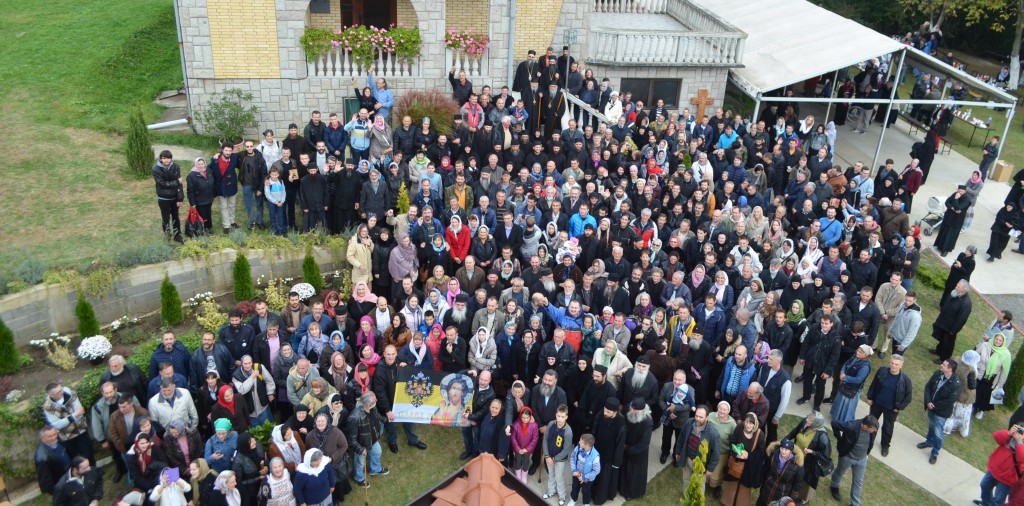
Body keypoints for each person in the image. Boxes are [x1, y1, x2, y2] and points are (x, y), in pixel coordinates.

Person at [865, 354, 912, 456]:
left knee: (888, 427)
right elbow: (874, 384)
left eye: (896, 364)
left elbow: (908, 397)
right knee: (871, 422)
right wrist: (870, 397)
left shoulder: (905, 380)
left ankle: (885, 445)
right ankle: (868, 440)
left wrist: (898, 407)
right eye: (892, 363)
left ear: (901, 365)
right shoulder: (882, 371)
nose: (893, 366)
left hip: (891, 408)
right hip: (877, 403)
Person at [919, 359, 963, 464]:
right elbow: (928, 387)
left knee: (938, 432)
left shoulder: (956, 384)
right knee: (931, 425)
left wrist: (933, 406)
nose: (941, 365)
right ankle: (929, 442)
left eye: (944, 365)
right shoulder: (938, 374)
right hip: (931, 407)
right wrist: (928, 401)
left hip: (941, 412)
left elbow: (949, 401)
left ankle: (935, 453)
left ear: (950, 369)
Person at [829, 416, 878, 506]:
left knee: (858, 482)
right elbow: (834, 423)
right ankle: (834, 486)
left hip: (862, 459)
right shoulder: (851, 426)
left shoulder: (873, 429)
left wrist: (866, 454)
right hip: (847, 457)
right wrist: (839, 438)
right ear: (864, 426)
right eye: (873, 429)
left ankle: (855, 504)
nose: (874, 431)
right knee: (839, 472)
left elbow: (871, 441)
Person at [785, 411, 832, 504]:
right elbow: (795, 431)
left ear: (816, 423)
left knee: (801, 481)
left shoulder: (822, 437)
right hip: (795, 456)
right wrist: (786, 439)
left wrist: (812, 452)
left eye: (810, 420)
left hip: (807, 463)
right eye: (808, 418)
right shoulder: (805, 422)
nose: (807, 420)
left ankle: (799, 498)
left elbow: (825, 456)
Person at [674, 405, 720, 498]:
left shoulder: (713, 434)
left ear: (707, 418)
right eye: (696, 416)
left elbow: (715, 454)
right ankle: (686, 499)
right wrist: (678, 452)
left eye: (701, 417)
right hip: (687, 458)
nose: (697, 419)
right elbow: (681, 438)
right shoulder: (689, 422)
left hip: (700, 464)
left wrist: (710, 469)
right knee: (686, 480)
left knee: (698, 486)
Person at [42, 383, 94, 464]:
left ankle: (93, 469)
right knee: (73, 459)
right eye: (58, 392)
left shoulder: (71, 394)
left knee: (89, 454)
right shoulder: (47, 407)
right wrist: (73, 415)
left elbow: (80, 413)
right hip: (67, 436)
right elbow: (56, 425)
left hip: (81, 430)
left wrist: (65, 420)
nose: (62, 392)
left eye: (61, 389)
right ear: (51, 395)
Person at [721, 412, 766, 506]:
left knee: (744, 487)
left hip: (749, 465)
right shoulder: (739, 428)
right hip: (736, 462)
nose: (748, 425)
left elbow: (761, 452)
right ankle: (728, 502)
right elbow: (732, 442)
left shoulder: (760, 434)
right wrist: (736, 454)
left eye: (751, 423)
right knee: (733, 483)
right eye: (746, 422)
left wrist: (748, 456)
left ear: (755, 424)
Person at [347, 391, 388, 488]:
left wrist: (387, 419)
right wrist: (360, 449)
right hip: (361, 445)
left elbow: (377, 417)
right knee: (360, 463)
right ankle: (359, 478)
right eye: (374, 400)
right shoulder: (354, 417)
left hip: (373, 440)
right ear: (367, 404)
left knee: (377, 452)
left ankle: (375, 469)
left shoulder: (372, 408)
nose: (376, 400)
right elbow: (351, 439)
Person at [978, 425, 1024, 506]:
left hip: (1008, 478)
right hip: (994, 470)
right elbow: (996, 436)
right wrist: (1008, 433)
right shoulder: (1011, 436)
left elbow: (1021, 459)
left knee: (998, 500)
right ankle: (986, 503)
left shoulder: (1020, 442)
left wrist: (1020, 442)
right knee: (984, 486)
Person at [932, 279, 973, 364]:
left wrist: (953, 330)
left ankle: (944, 359)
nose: (956, 287)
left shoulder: (966, 304)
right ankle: (938, 351)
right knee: (942, 338)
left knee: (947, 343)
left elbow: (962, 319)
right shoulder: (955, 293)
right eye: (957, 285)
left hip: (950, 327)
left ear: (964, 290)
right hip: (944, 321)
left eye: (958, 286)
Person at [619, 398, 653, 500]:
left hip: (637, 453)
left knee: (633, 475)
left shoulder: (647, 423)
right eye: (632, 408)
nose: (632, 411)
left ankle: (632, 493)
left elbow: (644, 443)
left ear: (642, 411)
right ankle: (621, 488)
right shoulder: (629, 410)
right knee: (624, 470)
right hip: (626, 447)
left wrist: (629, 449)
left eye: (635, 410)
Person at [831, 344, 873, 424]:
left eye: (860, 352)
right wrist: (842, 372)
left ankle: (843, 422)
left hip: (852, 389)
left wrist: (845, 377)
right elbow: (846, 364)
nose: (858, 352)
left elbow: (858, 380)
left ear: (865, 355)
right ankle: (836, 418)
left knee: (847, 407)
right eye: (858, 350)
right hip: (845, 385)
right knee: (839, 403)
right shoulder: (855, 357)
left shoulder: (865, 367)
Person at [976, 332, 1013, 421]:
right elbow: (975, 356)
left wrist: (999, 385)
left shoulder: (1006, 354)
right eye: (996, 339)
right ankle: (973, 406)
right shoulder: (985, 345)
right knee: (977, 391)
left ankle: (981, 410)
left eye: (1000, 340)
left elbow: (1004, 372)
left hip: (992, 379)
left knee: (986, 395)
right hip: (980, 373)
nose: (997, 341)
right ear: (993, 338)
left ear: (1003, 342)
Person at [758, 438, 804, 506]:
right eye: (782, 448)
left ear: (791, 451)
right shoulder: (773, 455)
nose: (783, 451)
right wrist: (762, 482)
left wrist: (793, 498)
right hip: (767, 488)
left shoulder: (797, 465)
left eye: (786, 450)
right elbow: (766, 469)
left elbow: (798, 483)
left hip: (782, 494)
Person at [945, 349, 980, 437]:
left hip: (953, 390)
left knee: (950, 412)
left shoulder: (956, 362)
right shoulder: (970, 371)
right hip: (964, 395)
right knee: (961, 415)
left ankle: (947, 427)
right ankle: (956, 428)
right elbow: (972, 386)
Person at [706, 401, 737, 499]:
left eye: (724, 410)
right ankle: (703, 483)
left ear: (728, 411)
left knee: (717, 472)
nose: (722, 411)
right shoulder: (711, 416)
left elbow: (735, 439)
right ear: (717, 408)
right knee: (705, 467)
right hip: (707, 449)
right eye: (720, 409)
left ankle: (717, 487)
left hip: (722, 452)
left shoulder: (732, 424)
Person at [153, 150, 184, 243]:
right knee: (165, 218)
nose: (167, 160)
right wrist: (176, 182)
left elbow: (180, 184)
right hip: (163, 198)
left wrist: (180, 198)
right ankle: (167, 237)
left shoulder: (176, 167)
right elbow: (162, 184)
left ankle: (177, 236)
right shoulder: (155, 169)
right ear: (161, 159)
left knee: (176, 217)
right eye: (164, 158)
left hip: (174, 198)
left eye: (169, 158)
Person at [933, 186, 971, 256]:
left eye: (961, 191)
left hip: (956, 221)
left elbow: (958, 207)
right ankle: (939, 245)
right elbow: (947, 202)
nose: (959, 192)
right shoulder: (955, 194)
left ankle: (945, 250)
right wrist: (953, 208)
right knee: (944, 231)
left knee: (950, 235)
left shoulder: (967, 199)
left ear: (965, 192)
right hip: (948, 217)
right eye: (959, 191)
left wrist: (956, 199)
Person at [231, 432, 267, 505]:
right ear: (245, 445)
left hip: (264, 486)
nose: (254, 442)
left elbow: (265, 459)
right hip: (251, 493)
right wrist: (258, 478)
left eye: (254, 440)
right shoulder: (238, 462)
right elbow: (238, 483)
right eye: (251, 442)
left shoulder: (258, 446)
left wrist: (266, 467)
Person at [36, 426, 71, 495]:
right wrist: (57, 492)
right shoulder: (42, 458)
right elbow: (46, 481)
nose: (53, 438)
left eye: (54, 434)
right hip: (61, 486)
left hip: (70, 478)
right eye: (49, 436)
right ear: (42, 439)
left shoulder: (59, 442)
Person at [569, 433, 601, 506]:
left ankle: (586, 503)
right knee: (575, 488)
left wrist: (584, 477)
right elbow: (572, 458)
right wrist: (574, 470)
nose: (579, 442)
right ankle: (573, 499)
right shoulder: (578, 447)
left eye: (581, 442)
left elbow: (597, 470)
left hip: (587, 479)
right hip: (577, 473)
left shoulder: (595, 456)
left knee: (586, 492)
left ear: (586, 445)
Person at [510, 406, 539, 482]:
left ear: (530, 417)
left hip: (527, 450)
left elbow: (535, 439)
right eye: (523, 417)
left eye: (527, 418)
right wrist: (517, 448)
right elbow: (513, 437)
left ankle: (524, 475)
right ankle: (518, 475)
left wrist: (527, 449)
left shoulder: (534, 425)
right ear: (520, 416)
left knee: (526, 462)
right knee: (518, 461)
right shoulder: (516, 424)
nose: (525, 419)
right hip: (518, 449)